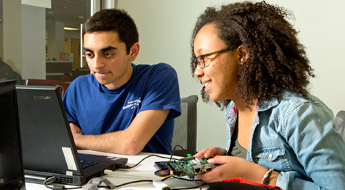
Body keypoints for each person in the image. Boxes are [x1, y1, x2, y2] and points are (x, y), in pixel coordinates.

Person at [190, 1, 345, 189]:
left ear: (241, 55)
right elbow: (259, 159)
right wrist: (227, 160)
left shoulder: (298, 114)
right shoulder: (234, 109)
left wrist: (259, 175)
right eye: (197, 61)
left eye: (204, 59)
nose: (197, 72)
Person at [63, 9, 181, 155]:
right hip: (95, 174)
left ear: (133, 52)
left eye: (107, 54)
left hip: (146, 175)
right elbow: (63, 141)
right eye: (89, 54)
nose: (96, 65)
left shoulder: (159, 76)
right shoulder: (78, 88)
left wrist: (78, 140)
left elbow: (130, 145)